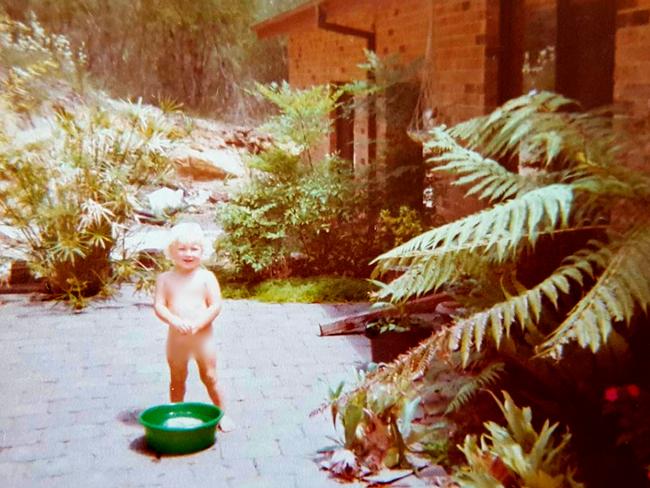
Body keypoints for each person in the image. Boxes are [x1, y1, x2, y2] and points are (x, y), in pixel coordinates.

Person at [153, 222, 235, 431]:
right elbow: (159, 306)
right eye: (182, 249)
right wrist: (174, 320)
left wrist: (199, 324)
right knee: (177, 377)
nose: (188, 254)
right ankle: (177, 412)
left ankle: (222, 414)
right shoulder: (165, 279)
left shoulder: (206, 278)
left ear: (202, 251)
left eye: (194, 249)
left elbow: (215, 305)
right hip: (177, 338)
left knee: (209, 376)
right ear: (171, 251)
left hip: (203, 337)